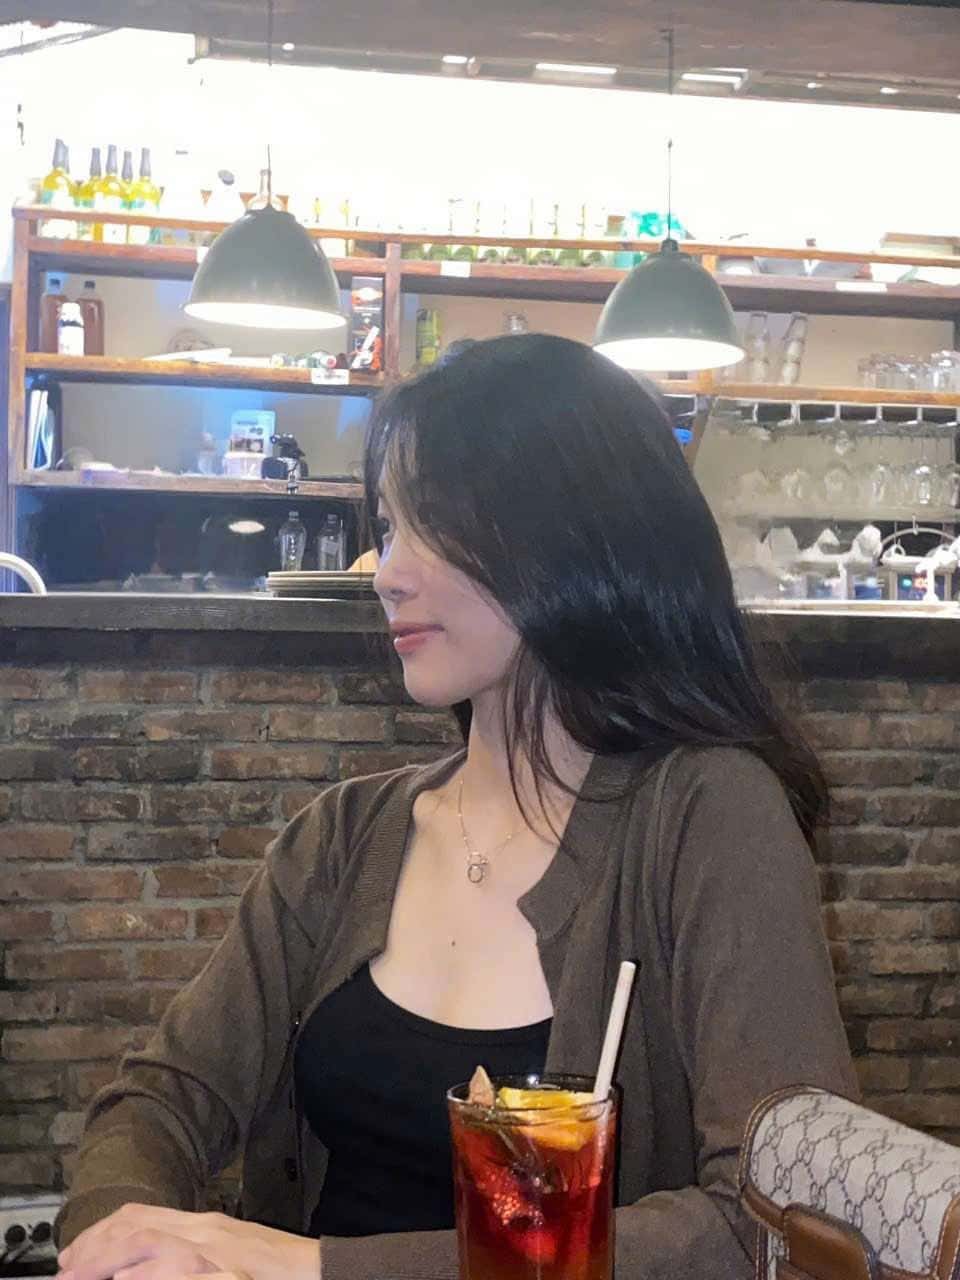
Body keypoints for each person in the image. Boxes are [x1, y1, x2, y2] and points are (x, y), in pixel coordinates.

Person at [56, 334, 856, 1280]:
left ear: (576, 531)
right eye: (388, 526)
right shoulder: (344, 838)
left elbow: (780, 1221)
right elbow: (159, 1103)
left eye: (432, 523)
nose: (386, 571)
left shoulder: (708, 815)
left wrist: (309, 1268)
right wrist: (123, 1240)